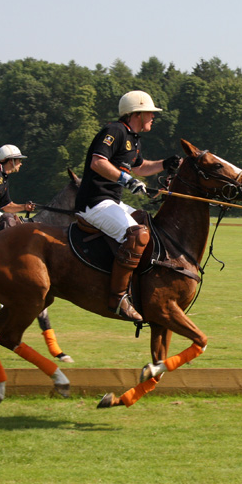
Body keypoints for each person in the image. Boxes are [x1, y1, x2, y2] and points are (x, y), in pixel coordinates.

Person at [74, 90, 181, 322]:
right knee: (137, 236)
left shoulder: (133, 139)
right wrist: (126, 180)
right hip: (94, 202)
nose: (153, 117)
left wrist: (165, 163)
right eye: (150, 113)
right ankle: (118, 297)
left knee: (146, 222)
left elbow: (140, 168)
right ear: (137, 113)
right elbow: (97, 162)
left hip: (111, 201)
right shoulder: (115, 131)